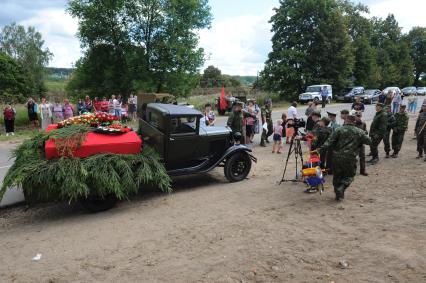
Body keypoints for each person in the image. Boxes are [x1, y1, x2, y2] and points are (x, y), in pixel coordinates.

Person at [321, 114, 371, 201]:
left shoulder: (338, 130)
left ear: (346, 120)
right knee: (349, 175)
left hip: (337, 157)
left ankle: (338, 193)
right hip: (350, 158)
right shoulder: (359, 131)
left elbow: (329, 142)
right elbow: (369, 141)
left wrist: (320, 150)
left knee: (337, 176)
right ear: (354, 122)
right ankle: (342, 187)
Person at [354, 111, 368, 176]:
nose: (358, 117)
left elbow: (366, 131)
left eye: (359, 116)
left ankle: (363, 171)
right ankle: (353, 171)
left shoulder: (363, 123)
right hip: (354, 144)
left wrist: (364, 133)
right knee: (353, 158)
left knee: (362, 157)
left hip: (361, 143)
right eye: (357, 116)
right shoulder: (353, 124)